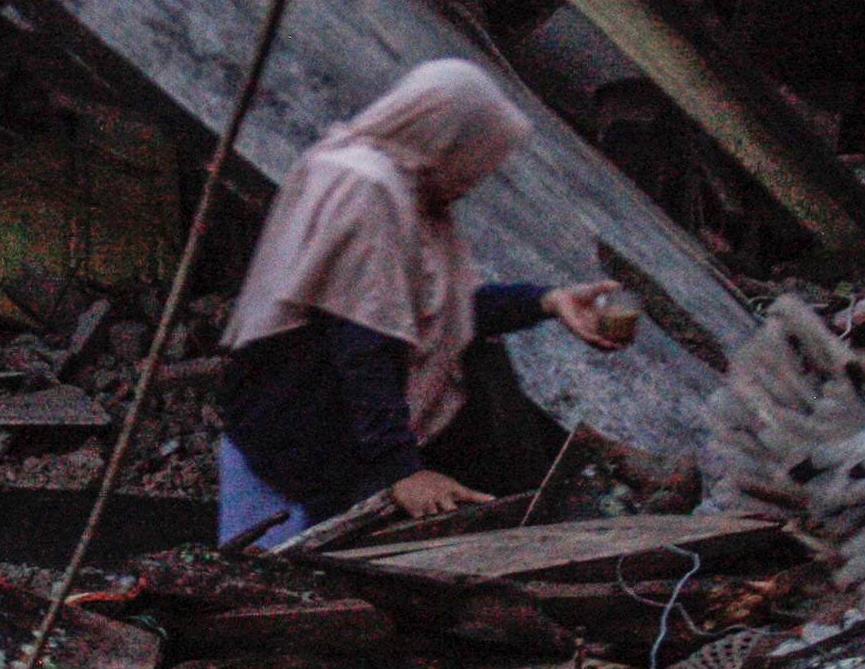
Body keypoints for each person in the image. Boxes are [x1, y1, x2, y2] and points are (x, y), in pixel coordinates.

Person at [216, 59, 635, 548]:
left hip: (329, 437)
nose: (476, 178)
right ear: (444, 139)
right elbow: (364, 342)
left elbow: (435, 313)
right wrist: (401, 470)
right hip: (298, 436)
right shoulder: (367, 186)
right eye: (476, 159)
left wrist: (547, 302)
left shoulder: (409, 192)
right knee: (275, 585)